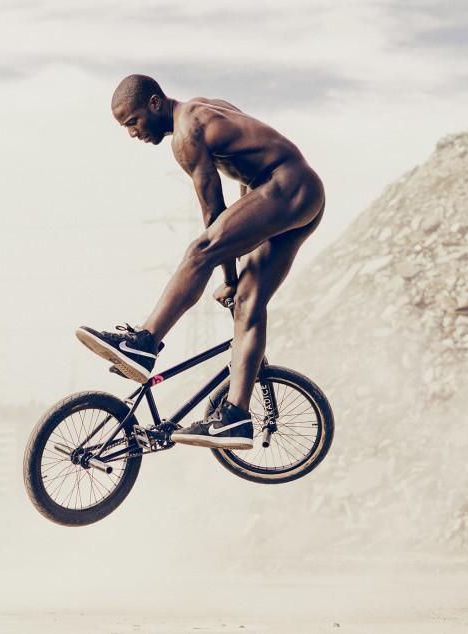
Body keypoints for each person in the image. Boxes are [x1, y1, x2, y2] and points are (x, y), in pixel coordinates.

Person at [76, 74, 325, 450]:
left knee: (199, 251)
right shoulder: (206, 108)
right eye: (125, 127)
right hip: (302, 193)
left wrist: (228, 275)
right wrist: (238, 267)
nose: (132, 133)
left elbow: (213, 212)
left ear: (155, 103)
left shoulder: (186, 135)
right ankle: (236, 417)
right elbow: (250, 171)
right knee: (248, 303)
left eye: (133, 121)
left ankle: (144, 342)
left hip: (286, 186)